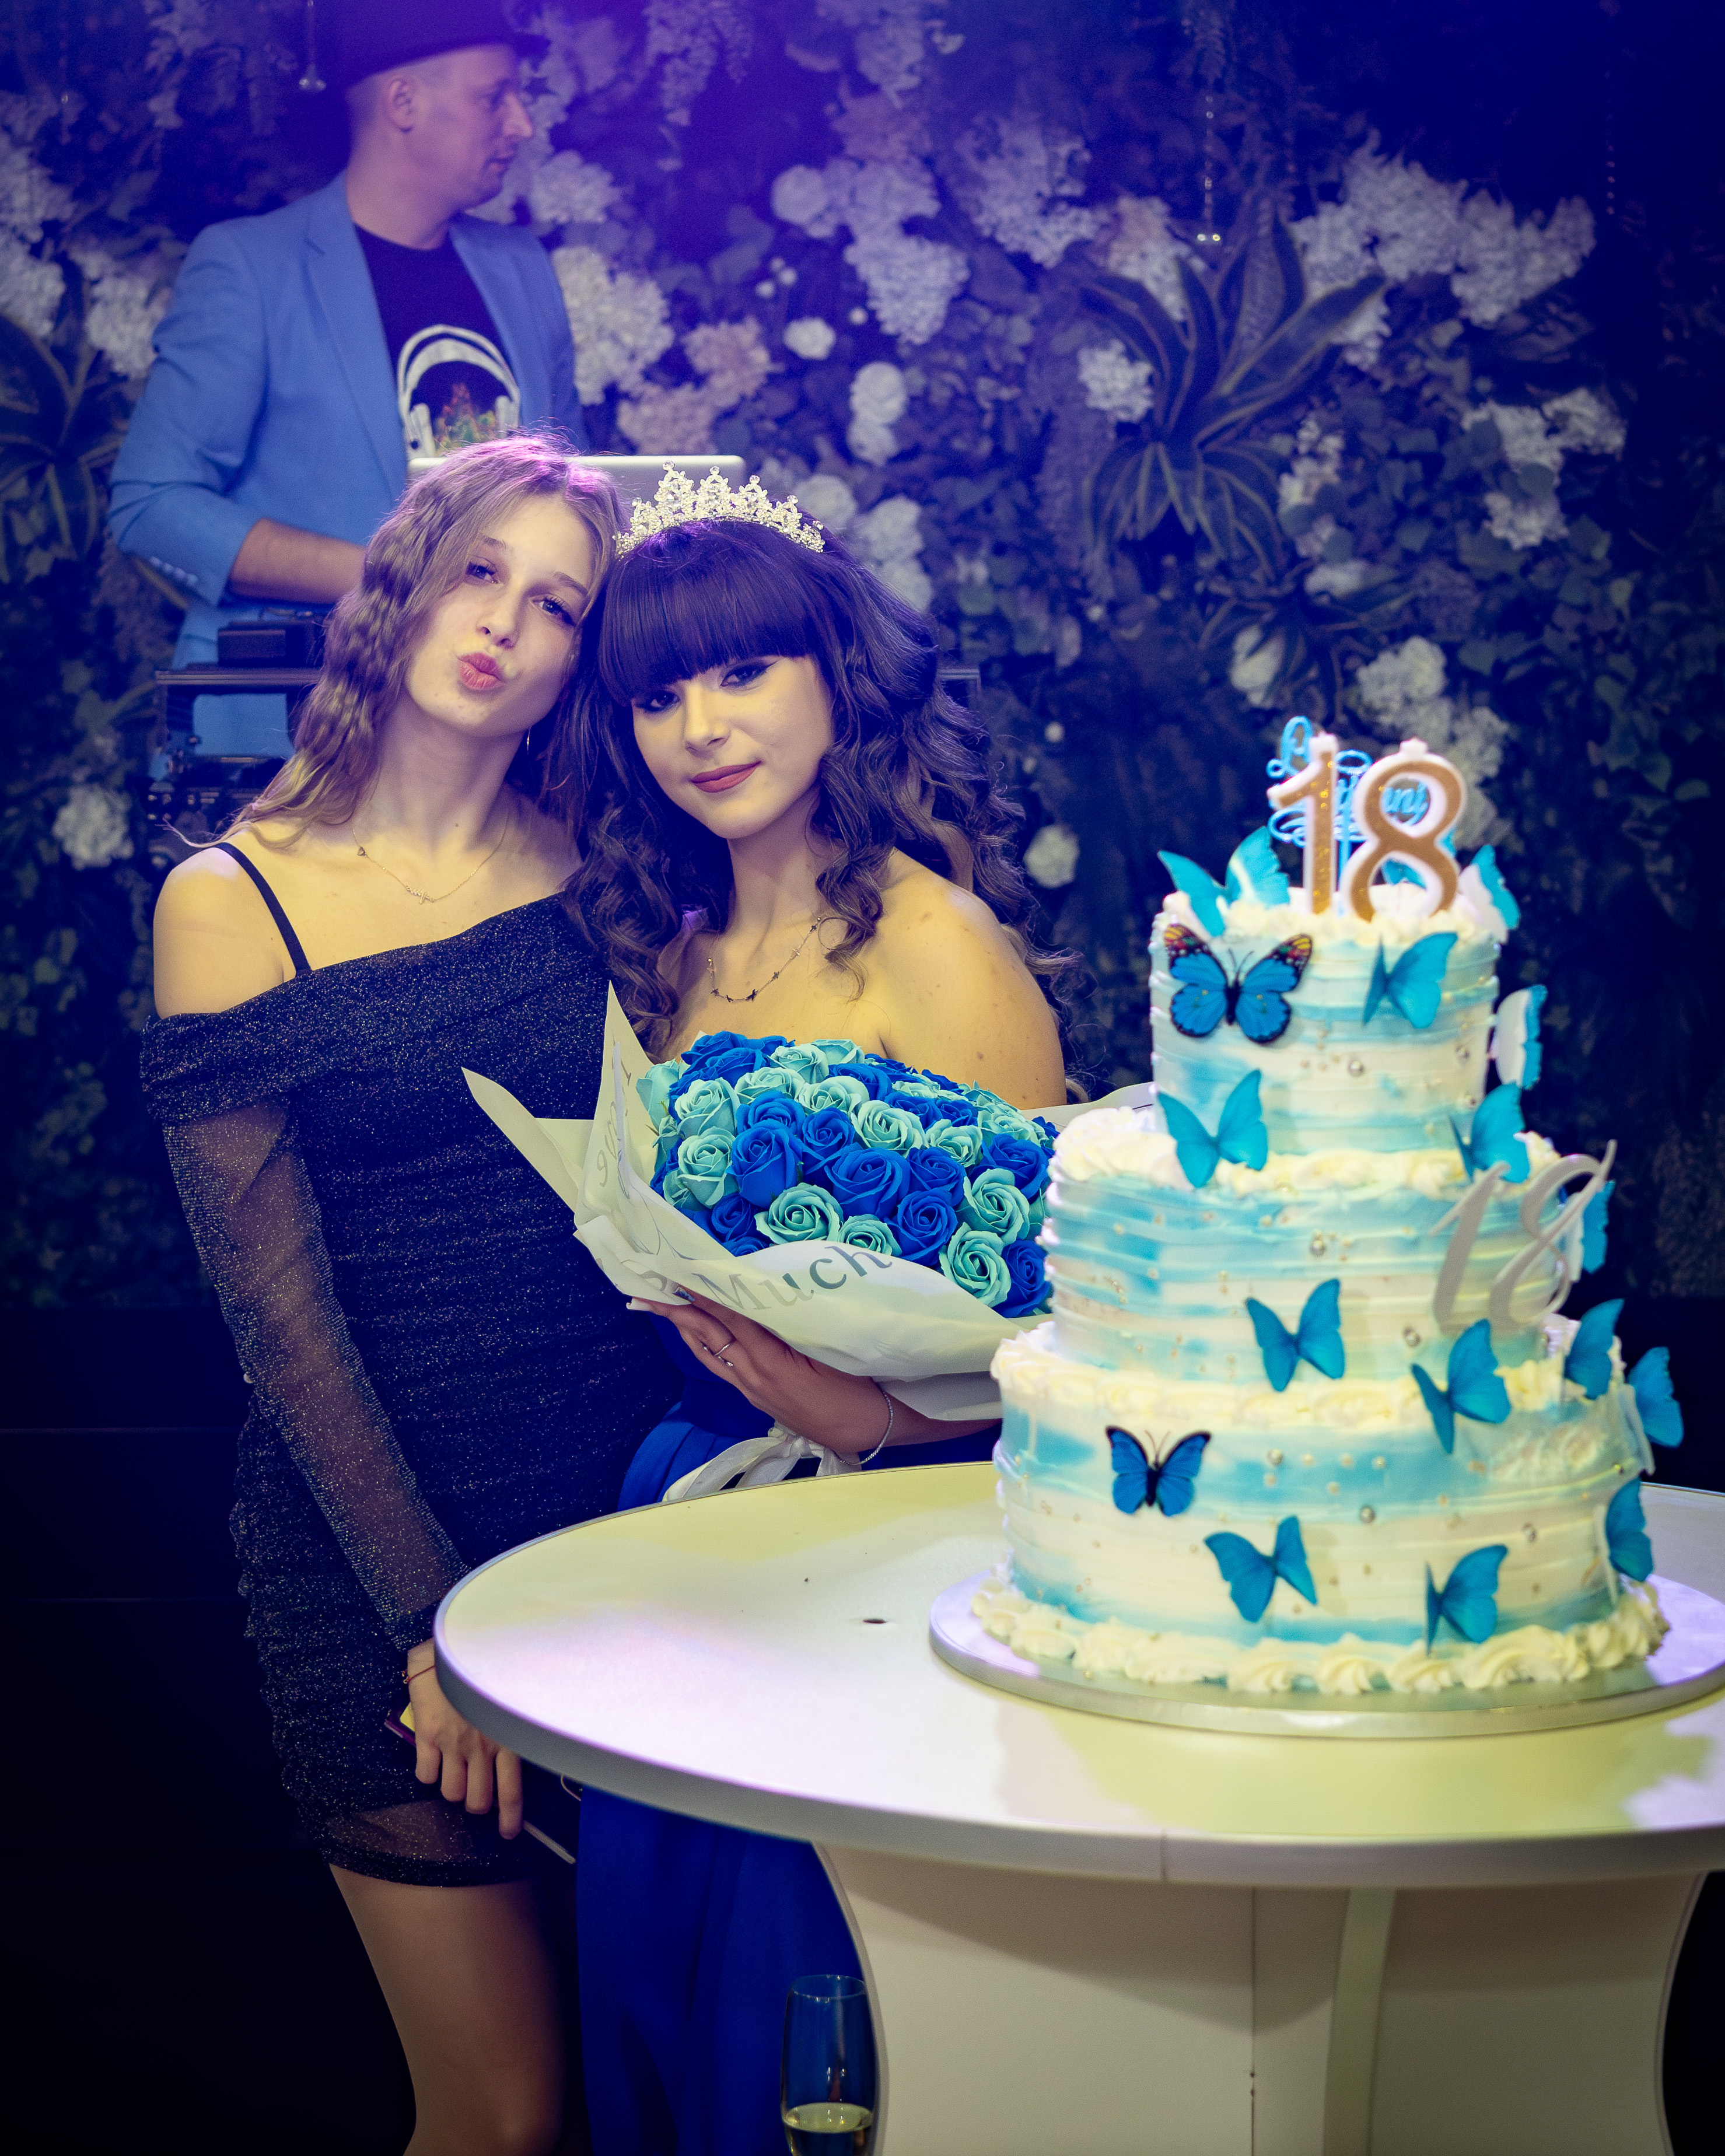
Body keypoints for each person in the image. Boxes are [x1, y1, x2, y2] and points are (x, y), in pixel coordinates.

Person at [142, 436, 677, 2156]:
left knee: (664, 2084)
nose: (505, 625)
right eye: (478, 573)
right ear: (405, 585)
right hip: (379, 1554)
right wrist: (432, 1629)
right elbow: (280, 1328)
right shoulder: (229, 904)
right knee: (501, 2115)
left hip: (625, 1538)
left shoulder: (601, 861)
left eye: (558, 606)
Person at [562, 477, 1072, 2155]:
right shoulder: (674, 949)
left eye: (742, 671)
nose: (702, 727)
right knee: (660, 1980)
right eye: (659, 694)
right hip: (692, 1517)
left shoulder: (939, 942)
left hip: (890, 1542)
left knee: (804, 2012)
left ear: (833, 676)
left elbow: (1075, 1334)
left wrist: (871, 1422)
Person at [109, 0, 583, 760]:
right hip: (290, 726)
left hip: (487, 745)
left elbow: (571, 501)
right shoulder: (251, 266)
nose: (522, 125)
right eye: (494, 97)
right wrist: (396, 578)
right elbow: (152, 505)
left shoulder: (522, 268)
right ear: (404, 102)